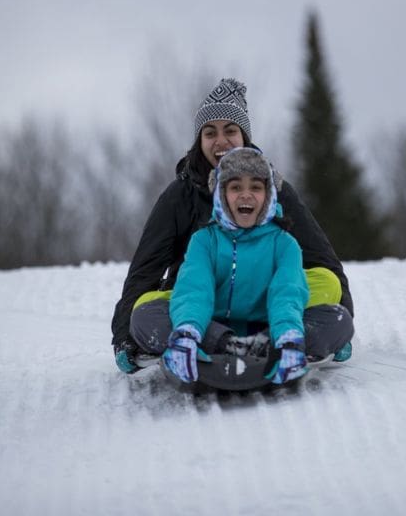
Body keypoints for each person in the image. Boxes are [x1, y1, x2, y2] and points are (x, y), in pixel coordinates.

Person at [112, 77, 354, 373]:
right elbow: (144, 270)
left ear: (244, 138)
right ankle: (215, 339)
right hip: (201, 306)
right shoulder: (180, 196)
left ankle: (274, 336)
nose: (220, 141)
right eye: (210, 133)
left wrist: (345, 320)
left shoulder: (275, 189)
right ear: (199, 142)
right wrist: (125, 337)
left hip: (267, 303)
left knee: (326, 282)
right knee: (145, 308)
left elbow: (322, 258)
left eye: (230, 130)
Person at [161, 147, 309, 384]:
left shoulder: (284, 244)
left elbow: (287, 293)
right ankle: (211, 346)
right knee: (147, 315)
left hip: (268, 331)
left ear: (269, 195)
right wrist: (187, 332)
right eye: (235, 187)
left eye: (256, 187)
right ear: (221, 194)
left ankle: (281, 350)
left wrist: (288, 337)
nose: (246, 195)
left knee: (333, 319)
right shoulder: (204, 240)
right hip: (212, 330)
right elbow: (194, 290)